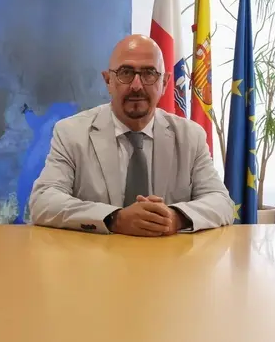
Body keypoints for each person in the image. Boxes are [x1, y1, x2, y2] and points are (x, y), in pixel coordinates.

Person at [30, 34, 234, 235]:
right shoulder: (71, 133)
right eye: (126, 73)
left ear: (165, 83)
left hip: (170, 261)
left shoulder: (190, 136)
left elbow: (221, 201)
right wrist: (114, 219)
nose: (137, 85)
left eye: (149, 73)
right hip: (94, 262)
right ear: (108, 80)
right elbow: (43, 201)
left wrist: (175, 218)